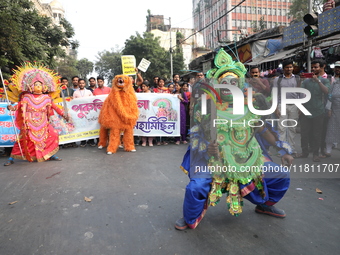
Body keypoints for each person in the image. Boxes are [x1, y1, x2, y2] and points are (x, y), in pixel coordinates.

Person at [175, 49, 293, 230]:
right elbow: (197, 136)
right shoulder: (207, 108)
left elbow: (262, 130)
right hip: (215, 161)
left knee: (280, 175)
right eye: (225, 83)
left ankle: (264, 205)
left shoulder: (249, 108)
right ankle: (190, 217)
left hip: (248, 159)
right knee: (196, 187)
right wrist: (207, 148)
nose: (229, 86)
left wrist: (282, 150)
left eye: (233, 82)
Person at [4, 64, 69, 166]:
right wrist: (11, 108)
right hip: (29, 122)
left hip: (43, 122)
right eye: (36, 84)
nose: (38, 86)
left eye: (40, 84)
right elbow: (18, 106)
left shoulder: (47, 98)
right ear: (31, 87)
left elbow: (55, 107)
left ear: (44, 87)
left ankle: (50, 154)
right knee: (21, 140)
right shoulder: (26, 97)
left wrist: (64, 114)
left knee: (52, 135)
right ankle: (11, 158)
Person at [297, 59, 330, 162]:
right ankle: (304, 152)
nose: (314, 69)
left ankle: (316, 154)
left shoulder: (325, 80)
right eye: (312, 67)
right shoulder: (306, 81)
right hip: (306, 110)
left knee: (317, 133)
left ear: (321, 68)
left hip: (319, 110)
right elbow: (299, 92)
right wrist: (300, 80)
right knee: (304, 132)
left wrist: (318, 81)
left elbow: (327, 92)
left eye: (316, 67)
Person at [273, 59, 301, 157]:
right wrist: (276, 108)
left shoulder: (297, 78)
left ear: (293, 68)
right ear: (283, 68)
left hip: (294, 105)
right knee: (281, 128)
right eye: (287, 67)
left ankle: (292, 149)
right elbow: (275, 94)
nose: (289, 69)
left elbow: (300, 93)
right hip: (282, 105)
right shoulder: (278, 79)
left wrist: (300, 107)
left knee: (292, 128)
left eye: (290, 67)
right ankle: (283, 149)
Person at [324, 61, 340, 156]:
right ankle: (328, 151)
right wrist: (329, 109)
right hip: (334, 109)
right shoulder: (334, 81)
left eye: (339, 67)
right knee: (331, 130)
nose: (338, 69)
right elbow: (330, 95)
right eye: (336, 67)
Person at [73, 79, 94, 147]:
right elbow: (73, 102)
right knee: (82, 126)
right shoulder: (75, 92)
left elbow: (92, 101)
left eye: (83, 83)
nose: (81, 84)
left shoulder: (89, 92)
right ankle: (83, 141)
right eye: (80, 83)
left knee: (90, 126)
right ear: (78, 84)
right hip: (80, 112)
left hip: (88, 111)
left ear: (85, 84)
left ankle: (91, 140)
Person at [140, 81, 154, 146]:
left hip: (150, 112)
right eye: (142, 86)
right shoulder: (140, 94)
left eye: (144, 86)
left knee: (150, 126)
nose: (143, 88)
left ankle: (150, 141)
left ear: (148, 87)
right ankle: (144, 141)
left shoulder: (153, 94)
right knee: (143, 126)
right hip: (142, 112)